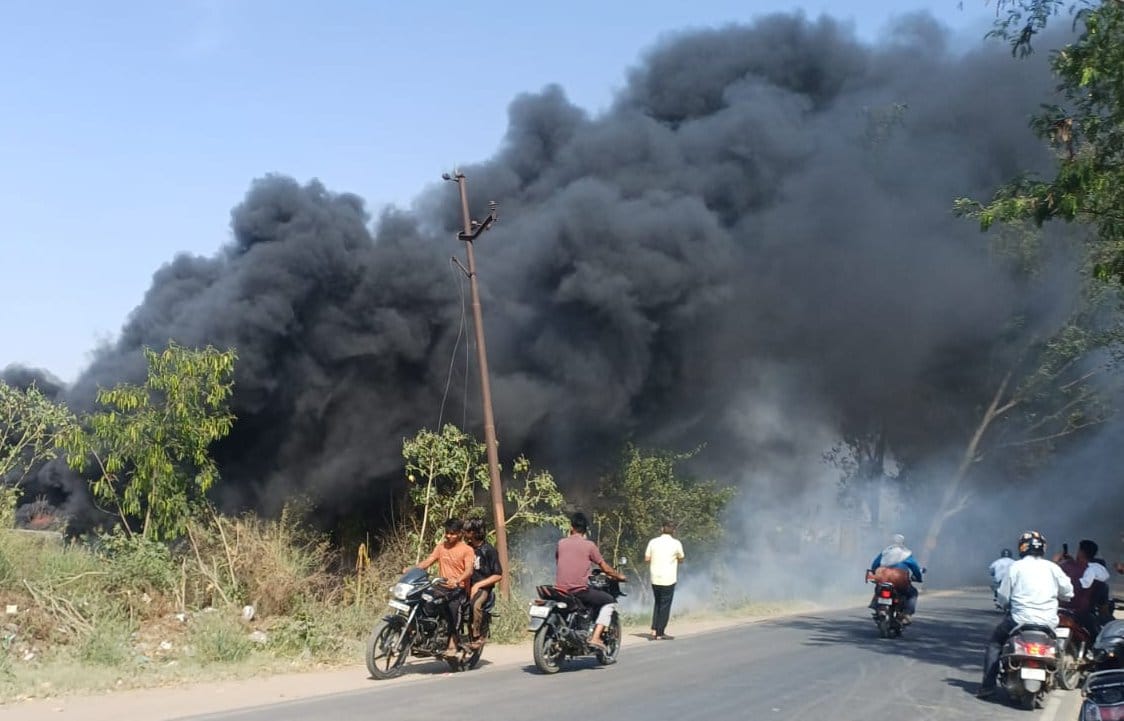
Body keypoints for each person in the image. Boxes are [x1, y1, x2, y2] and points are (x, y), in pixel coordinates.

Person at [977, 530, 1074, 698]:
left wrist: (1005, 604)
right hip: (1048, 623)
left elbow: (1003, 596)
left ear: (1022, 547)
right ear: (1043, 548)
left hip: (1019, 620)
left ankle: (988, 686)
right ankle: (1056, 678)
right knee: (1057, 646)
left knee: (995, 644)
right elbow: (1068, 592)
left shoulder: (1016, 567)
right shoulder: (1053, 568)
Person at [555, 512, 627, 652]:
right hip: (578, 590)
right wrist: (619, 576)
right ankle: (595, 637)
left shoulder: (561, 543)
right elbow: (605, 568)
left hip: (559, 590)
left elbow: (559, 561)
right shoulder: (589, 545)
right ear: (586, 529)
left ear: (571, 527)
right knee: (610, 601)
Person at [408, 517, 476, 656]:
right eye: (447, 533)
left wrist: (457, 580)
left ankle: (453, 642)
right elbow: (429, 561)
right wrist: (413, 570)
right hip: (440, 586)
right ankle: (420, 634)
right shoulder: (441, 547)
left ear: (460, 534)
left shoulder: (467, 550)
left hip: (458, 589)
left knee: (453, 610)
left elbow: (469, 570)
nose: (449, 536)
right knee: (418, 600)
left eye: (452, 533)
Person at [463, 517, 503, 651]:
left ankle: (477, 636)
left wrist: (478, 585)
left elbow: (498, 575)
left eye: (467, 531)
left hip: (483, 589)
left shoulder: (489, 550)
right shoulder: (467, 548)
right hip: (465, 586)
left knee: (476, 605)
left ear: (474, 532)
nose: (464, 533)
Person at [1058, 539, 1111, 635]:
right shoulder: (1095, 574)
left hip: (1058, 610)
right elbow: (1103, 609)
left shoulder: (1065, 566)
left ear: (1080, 552)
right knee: (1097, 637)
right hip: (1080, 614)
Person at [868, 533, 924, 621]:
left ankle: (878, 607)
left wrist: (874, 572)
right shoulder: (906, 553)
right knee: (913, 593)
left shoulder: (885, 552)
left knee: (878, 589)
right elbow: (915, 568)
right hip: (899, 579)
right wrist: (919, 578)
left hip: (883, 577)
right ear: (903, 542)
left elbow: (875, 564)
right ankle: (907, 614)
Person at [645, 520, 685, 641]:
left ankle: (653, 629)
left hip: (655, 577)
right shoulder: (676, 543)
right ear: (674, 531)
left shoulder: (653, 542)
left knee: (657, 603)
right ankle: (659, 632)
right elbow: (681, 558)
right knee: (665, 605)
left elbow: (647, 558)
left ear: (661, 529)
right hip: (669, 578)